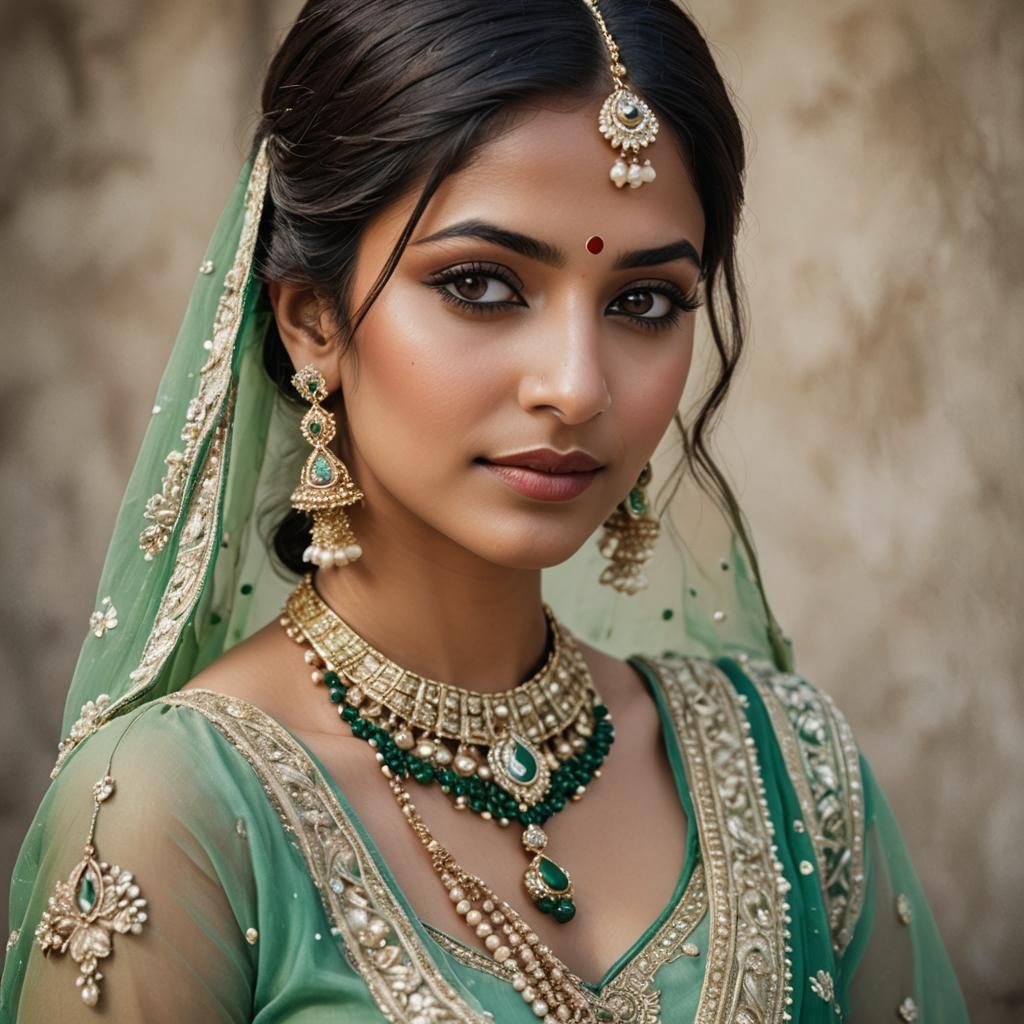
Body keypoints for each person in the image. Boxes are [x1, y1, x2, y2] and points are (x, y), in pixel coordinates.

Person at [1, 1, 967, 1020]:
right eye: (480, 283)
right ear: (310, 320)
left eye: (643, 301)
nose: (576, 385)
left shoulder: (793, 766)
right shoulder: (176, 809)